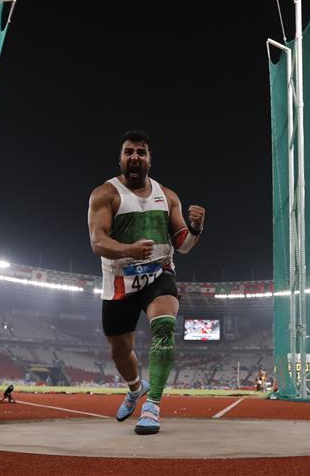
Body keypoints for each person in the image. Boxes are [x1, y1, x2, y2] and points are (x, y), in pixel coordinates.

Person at [88, 130, 206, 435]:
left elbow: (183, 245)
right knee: (119, 350)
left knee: (164, 326)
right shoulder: (105, 194)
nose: (135, 157)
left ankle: (152, 406)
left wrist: (195, 228)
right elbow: (98, 241)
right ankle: (134, 388)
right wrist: (128, 250)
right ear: (121, 158)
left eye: (141, 152)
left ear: (150, 159)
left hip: (159, 273)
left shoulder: (167, 196)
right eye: (129, 152)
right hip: (119, 281)